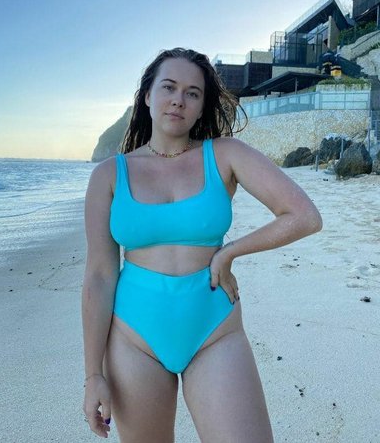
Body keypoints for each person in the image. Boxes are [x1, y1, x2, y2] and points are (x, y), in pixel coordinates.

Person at [82, 47, 323, 442]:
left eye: (192, 93)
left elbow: (304, 216)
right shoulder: (109, 175)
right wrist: (93, 375)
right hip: (133, 338)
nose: (179, 99)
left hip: (214, 330)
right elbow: (99, 275)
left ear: (200, 107)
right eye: (169, 87)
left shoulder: (225, 155)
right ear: (148, 96)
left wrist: (230, 251)